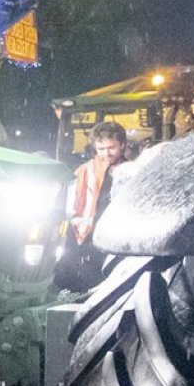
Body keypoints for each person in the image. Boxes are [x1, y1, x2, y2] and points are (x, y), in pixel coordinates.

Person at [54, 120, 128, 290]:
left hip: (117, 232)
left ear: (122, 145)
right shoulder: (85, 170)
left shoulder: (130, 169)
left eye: (111, 148)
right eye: (101, 149)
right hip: (88, 233)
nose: (106, 153)